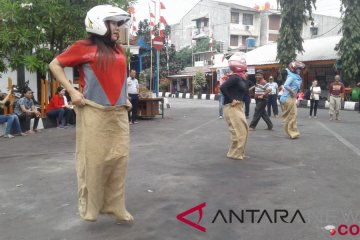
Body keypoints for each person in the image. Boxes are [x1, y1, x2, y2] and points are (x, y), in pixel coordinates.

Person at [49, 5, 133, 222]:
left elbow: (119, 76)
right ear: (98, 23)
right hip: (94, 111)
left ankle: (116, 206)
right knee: (94, 163)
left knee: (119, 161)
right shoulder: (83, 46)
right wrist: (72, 90)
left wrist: (126, 96)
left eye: (117, 24)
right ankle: (91, 208)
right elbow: (55, 64)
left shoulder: (119, 49)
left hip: (119, 113)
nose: (117, 28)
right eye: (113, 23)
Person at [220, 52, 248, 160]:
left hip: (238, 106)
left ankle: (237, 152)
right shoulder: (235, 77)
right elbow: (223, 88)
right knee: (238, 131)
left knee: (242, 130)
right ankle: (234, 153)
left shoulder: (240, 78)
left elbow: (244, 91)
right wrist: (231, 100)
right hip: (232, 107)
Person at [279, 61, 305, 139]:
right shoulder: (292, 77)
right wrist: (292, 91)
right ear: (293, 69)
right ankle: (293, 133)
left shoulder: (295, 76)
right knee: (292, 115)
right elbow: (286, 85)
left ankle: (291, 132)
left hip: (289, 98)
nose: (300, 71)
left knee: (290, 116)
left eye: (300, 69)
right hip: (288, 98)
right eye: (298, 69)